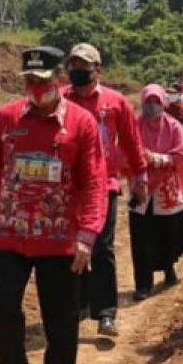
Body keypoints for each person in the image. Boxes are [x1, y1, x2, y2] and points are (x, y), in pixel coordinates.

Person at [0, 45, 108, 364]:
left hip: (59, 236)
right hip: (10, 232)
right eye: (28, 80)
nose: (34, 87)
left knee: (60, 317)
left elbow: (94, 181)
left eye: (42, 80)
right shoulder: (6, 119)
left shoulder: (80, 124)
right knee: (3, 310)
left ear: (59, 80)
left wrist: (88, 234)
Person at [64, 43, 149, 337]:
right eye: (73, 66)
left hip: (104, 185)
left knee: (102, 248)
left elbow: (130, 141)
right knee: (70, 247)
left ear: (97, 70)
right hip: (68, 188)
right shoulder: (61, 100)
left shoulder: (115, 102)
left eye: (83, 67)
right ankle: (76, 306)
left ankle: (106, 313)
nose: (77, 72)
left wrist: (139, 177)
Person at [130, 85, 183, 299]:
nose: (152, 106)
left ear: (163, 102)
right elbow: (126, 151)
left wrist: (156, 159)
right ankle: (143, 284)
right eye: (148, 102)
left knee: (167, 234)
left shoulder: (174, 126)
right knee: (140, 237)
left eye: (156, 102)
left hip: (165, 189)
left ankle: (169, 269)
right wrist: (140, 159)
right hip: (141, 188)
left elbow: (182, 155)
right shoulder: (135, 126)